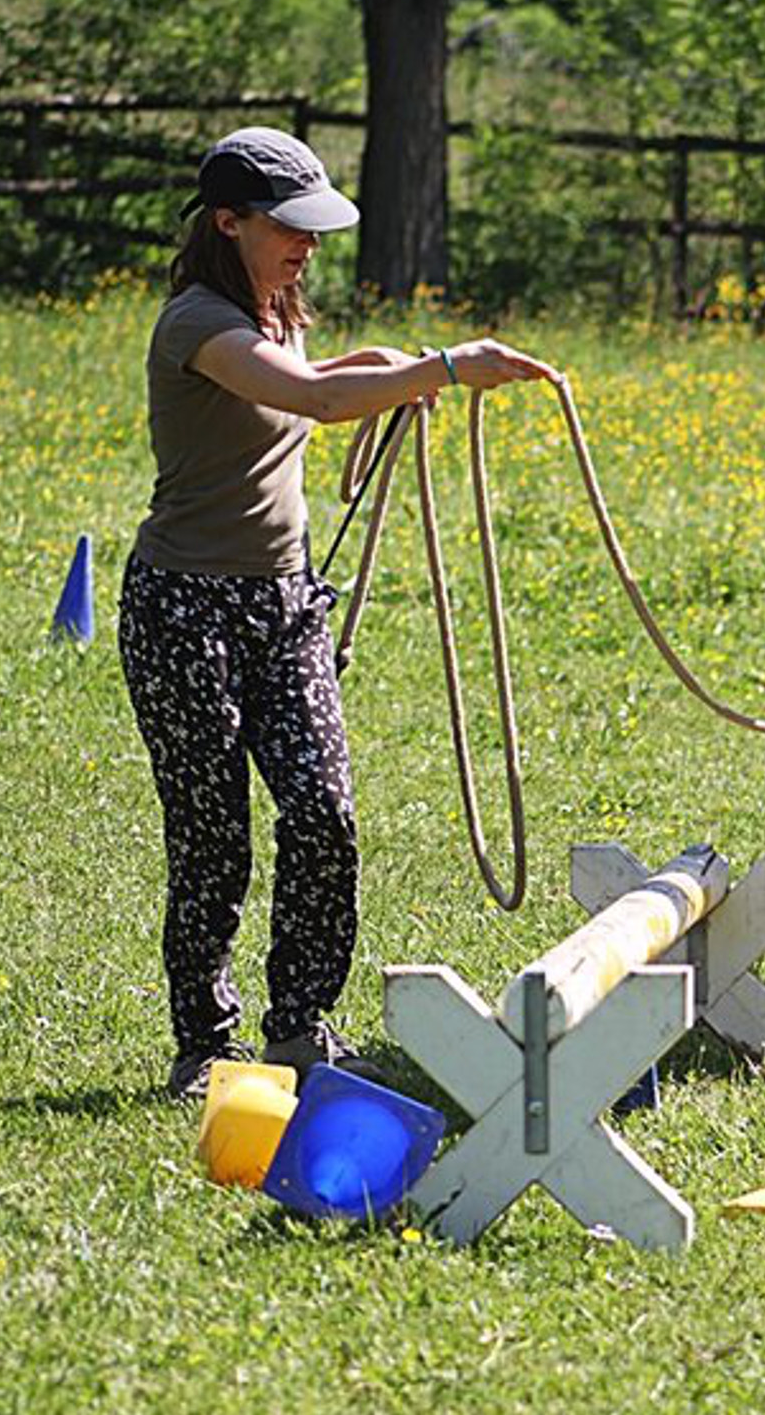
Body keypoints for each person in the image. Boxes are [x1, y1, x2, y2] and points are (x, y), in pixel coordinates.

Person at [120, 126, 556, 1100]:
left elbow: (312, 379)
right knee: (213, 834)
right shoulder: (197, 321)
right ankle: (205, 1043)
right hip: (186, 609)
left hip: (285, 602)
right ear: (228, 222)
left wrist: (381, 362)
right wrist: (441, 368)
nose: (309, 246)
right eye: (291, 228)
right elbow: (310, 400)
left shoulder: (279, 311)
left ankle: (301, 1031)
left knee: (322, 813)